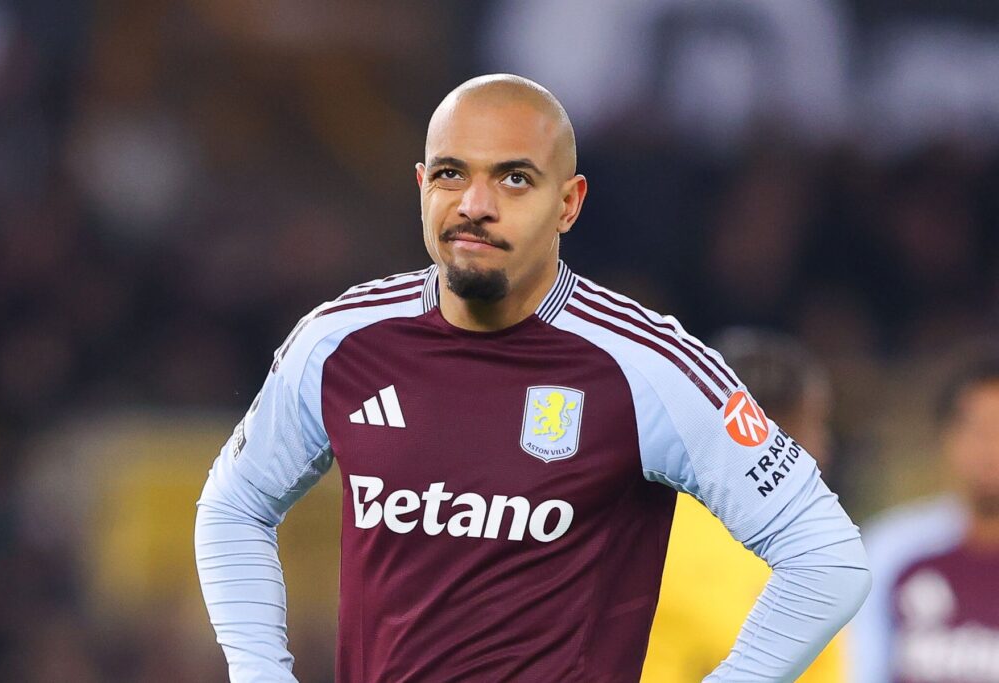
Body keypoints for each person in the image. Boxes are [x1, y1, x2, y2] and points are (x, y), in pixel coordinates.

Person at [195, 74, 870, 682]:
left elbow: (827, 557)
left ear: (569, 203)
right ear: (422, 185)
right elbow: (234, 504)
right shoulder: (340, 342)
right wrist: (258, 671)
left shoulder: (647, 364)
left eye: (514, 178)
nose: (475, 204)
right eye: (452, 174)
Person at [643, 328, 847, 681]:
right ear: (767, 430)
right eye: (814, 424)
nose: (824, 447)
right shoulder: (800, 555)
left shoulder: (635, 520)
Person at [850, 346, 999, 683]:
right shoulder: (892, 547)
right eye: (979, 430)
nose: (991, 448)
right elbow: (859, 666)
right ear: (949, 438)